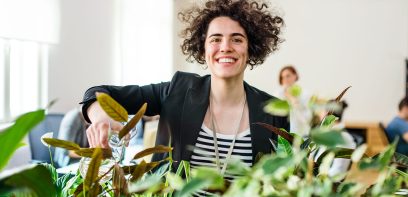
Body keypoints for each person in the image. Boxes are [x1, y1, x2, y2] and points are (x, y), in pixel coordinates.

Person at [80, 0, 289, 175]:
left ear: (250, 49)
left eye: (237, 39)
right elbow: (96, 94)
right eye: (215, 39)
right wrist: (102, 117)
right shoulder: (176, 91)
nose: (225, 47)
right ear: (203, 48)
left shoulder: (274, 109)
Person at [273, 65, 312, 137]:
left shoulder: (305, 94)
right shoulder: (277, 95)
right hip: (283, 135)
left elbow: (308, 117)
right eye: (282, 77)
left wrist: (294, 100)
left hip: (302, 134)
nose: (285, 79)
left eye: (288, 76)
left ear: (295, 76)